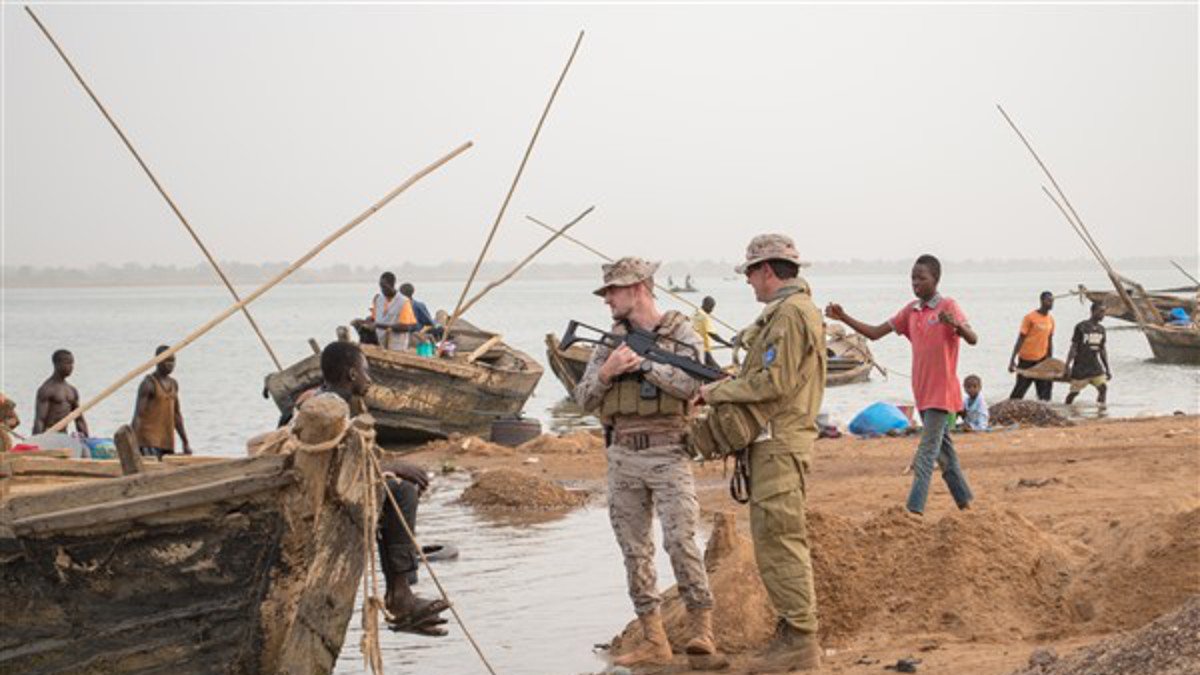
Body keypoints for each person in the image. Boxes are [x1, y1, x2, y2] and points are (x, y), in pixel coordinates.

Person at [574, 257, 718, 667]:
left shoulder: (681, 332)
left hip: (668, 450)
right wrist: (608, 371)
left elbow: (694, 382)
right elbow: (582, 398)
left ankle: (702, 632)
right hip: (622, 455)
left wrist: (647, 365)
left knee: (680, 542)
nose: (607, 301)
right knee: (634, 551)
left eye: (612, 292)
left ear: (638, 288)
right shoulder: (608, 341)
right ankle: (654, 638)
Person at [695, 234, 826, 672]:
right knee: (775, 538)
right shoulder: (788, 313)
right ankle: (793, 635)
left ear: (767, 271)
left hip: (780, 443)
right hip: (775, 443)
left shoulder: (790, 314)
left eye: (751, 273)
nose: (749, 282)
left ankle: (800, 643)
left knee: (780, 540)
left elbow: (775, 383)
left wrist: (716, 391)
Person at [311, 341, 448, 635]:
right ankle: (400, 595)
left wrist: (390, 466)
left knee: (397, 487)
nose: (369, 379)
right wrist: (393, 468)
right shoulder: (331, 408)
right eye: (365, 371)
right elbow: (335, 464)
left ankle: (400, 593)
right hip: (321, 492)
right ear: (351, 375)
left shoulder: (336, 402)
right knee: (402, 491)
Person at [826, 254, 976, 517]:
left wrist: (955, 325)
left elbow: (973, 338)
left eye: (922, 278)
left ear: (936, 279)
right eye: (913, 278)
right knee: (945, 455)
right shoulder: (911, 311)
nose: (916, 283)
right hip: (922, 392)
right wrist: (844, 316)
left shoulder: (948, 306)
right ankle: (966, 504)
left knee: (926, 454)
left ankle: (913, 511)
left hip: (942, 393)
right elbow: (874, 332)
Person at [132, 346, 193, 459]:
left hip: (166, 442)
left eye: (173, 361)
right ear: (158, 361)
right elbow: (138, 416)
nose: (171, 364)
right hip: (148, 442)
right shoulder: (149, 384)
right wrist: (132, 443)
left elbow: (177, 416)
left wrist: (185, 442)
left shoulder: (173, 384)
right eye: (167, 361)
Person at [1008, 291, 1056, 401]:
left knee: (1045, 395)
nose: (1051, 303)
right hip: (1026, 360)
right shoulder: (1030, 318)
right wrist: (1012, 360)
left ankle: (1044, 414)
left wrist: (1050, 360)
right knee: (1018, 392)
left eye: (1052, 301)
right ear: (1042, 301)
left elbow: (1050, 340)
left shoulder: (1051, 320)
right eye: (1048, 300)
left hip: (1042, 361)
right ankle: (1009, 410)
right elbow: (1020, 338)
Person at [352, 272, 417, 351]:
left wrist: (378, 325)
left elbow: (406, 327)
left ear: (392, 285)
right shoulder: (378, 299)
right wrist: (363, 322)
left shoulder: (404, 301)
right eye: (381, 287)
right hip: (379, 345)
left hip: (396, 347)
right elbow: (374, 319)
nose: (382, 290)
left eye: (384, 287)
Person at [1064, 301, 1112, 405]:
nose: (1103, 314)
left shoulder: (1101, 329)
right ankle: (1067, 408)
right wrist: (1067, 365)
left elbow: (1102, 349)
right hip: (1081, 368)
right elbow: (1074, 347)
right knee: (1074, 393)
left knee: (1103, 388)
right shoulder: (1081, 327)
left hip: (1095, 367)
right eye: (1101, 312)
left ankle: (1101, 411)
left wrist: (1107, 369)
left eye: (1104, 312)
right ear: (1093, 311)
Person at [33, 349, 89, 437]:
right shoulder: (47, 389)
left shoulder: (72, 390)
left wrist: (87, 440)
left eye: (72, 363)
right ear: (57, 364)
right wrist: (37, 442)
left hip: (64, 435)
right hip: (48, 435)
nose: (71, 367)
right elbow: (40, 420)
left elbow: (79, 419)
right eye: (68, 363)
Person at [691, 296, 727, 369]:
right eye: (711, 307)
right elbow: (712, 334)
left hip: (694, 347)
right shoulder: (704, 316)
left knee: (706, 368)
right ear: (706, 305)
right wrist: (727, 343)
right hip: (703, 348)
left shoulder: (695, 313)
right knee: (717, 369)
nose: (712, 310)